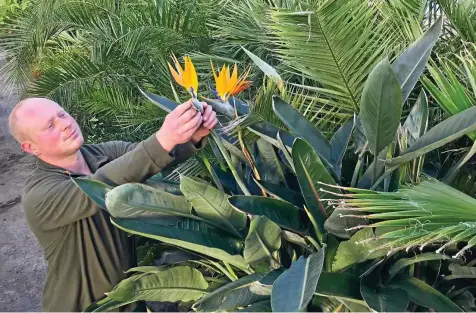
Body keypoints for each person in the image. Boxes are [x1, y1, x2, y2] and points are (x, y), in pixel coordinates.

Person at [8, 97, 218, 312]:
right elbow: (100, 186)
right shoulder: (39, 195)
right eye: (50, 126)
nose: (65, 124)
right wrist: (164, 137)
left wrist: (192, 136)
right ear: (30, 147)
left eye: (62, 114)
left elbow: (151, 159)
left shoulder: (104, 153)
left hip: (128, 300)